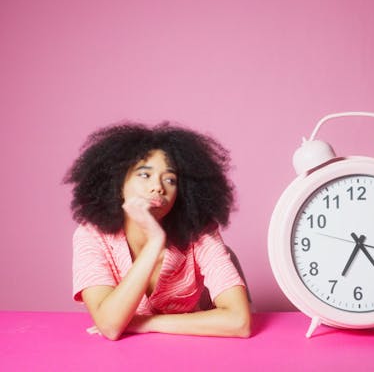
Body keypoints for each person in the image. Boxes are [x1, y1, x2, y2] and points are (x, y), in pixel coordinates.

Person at [64, 122, 251, 340]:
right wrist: (154, 242)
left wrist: (145, 323)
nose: (158, 187)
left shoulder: (200, 234)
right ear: (118, 184)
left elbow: (240, 322)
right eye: (145, 175)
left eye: (170, 179)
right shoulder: (91, 236)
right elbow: (110, 326)